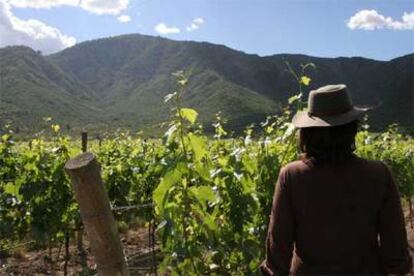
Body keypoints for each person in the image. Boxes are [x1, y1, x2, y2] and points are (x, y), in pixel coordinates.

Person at [260, 84, 412, 275]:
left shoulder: (292, 175)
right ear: (352, 129)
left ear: (307, 132)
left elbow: (278, 251)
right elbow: (395, 251)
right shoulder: (378, 173)